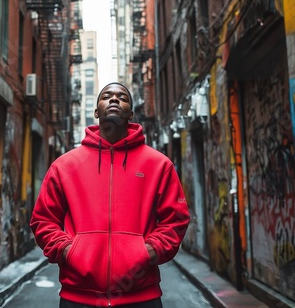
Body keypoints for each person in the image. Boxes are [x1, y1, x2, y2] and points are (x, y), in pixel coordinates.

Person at [30, 82, 190, 307]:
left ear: (131, 114)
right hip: (78, 296)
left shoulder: (158, 165)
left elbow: (176, 220)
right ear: (96, 112)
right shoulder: (65, 166)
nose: (114, 100)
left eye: (122, 98)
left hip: (141, 296)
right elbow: (43, 220)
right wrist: (69, 251)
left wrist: (149, 252)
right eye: (107, 96)